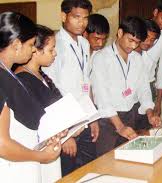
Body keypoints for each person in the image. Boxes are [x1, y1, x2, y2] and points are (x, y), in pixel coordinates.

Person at [0, 11, 61, 182]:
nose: (34, 49)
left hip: (24, 160)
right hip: (12, 168)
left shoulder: (8, 73)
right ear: (17, 44)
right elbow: (2, 144)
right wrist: (40, 156)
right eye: (31, 44)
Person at [42, 0, 99, 176]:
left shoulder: (83, 43)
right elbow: (49, 91)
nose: (81, 22)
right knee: (68, 174)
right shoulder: (54, 45)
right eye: (76, 17)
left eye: (85, 18)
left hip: (85, 117)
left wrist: (93, 117)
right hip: (67, 125)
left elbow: (86, 82)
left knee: (88, 171)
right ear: (63, 16)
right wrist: (66, 135)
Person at [91, 16, 161, 156]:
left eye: (137, 42)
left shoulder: (137, 59)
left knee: (129, 160)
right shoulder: (101, 58)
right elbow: (102, 98)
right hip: (109, 120)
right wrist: (120, 126)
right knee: (107, 163)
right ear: (120, 33)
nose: (133, 46)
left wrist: (149, 113)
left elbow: (144, 89)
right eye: (131, 40)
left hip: (130, 115)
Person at [15, 25, 63, 183]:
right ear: (35, 50)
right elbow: (37, 118)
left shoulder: (41, 74)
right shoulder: (23, 79)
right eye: (51, 49)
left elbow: (59, 102)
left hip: (51, 145)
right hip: (36, 149)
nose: (55, 53)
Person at [135, 19, 161, 130]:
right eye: (146, 38)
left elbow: (144, 88)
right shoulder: (128, 55)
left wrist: (150, 112)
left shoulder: (144, 57)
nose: (148, 43)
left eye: (152, 40)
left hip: (143, 102)